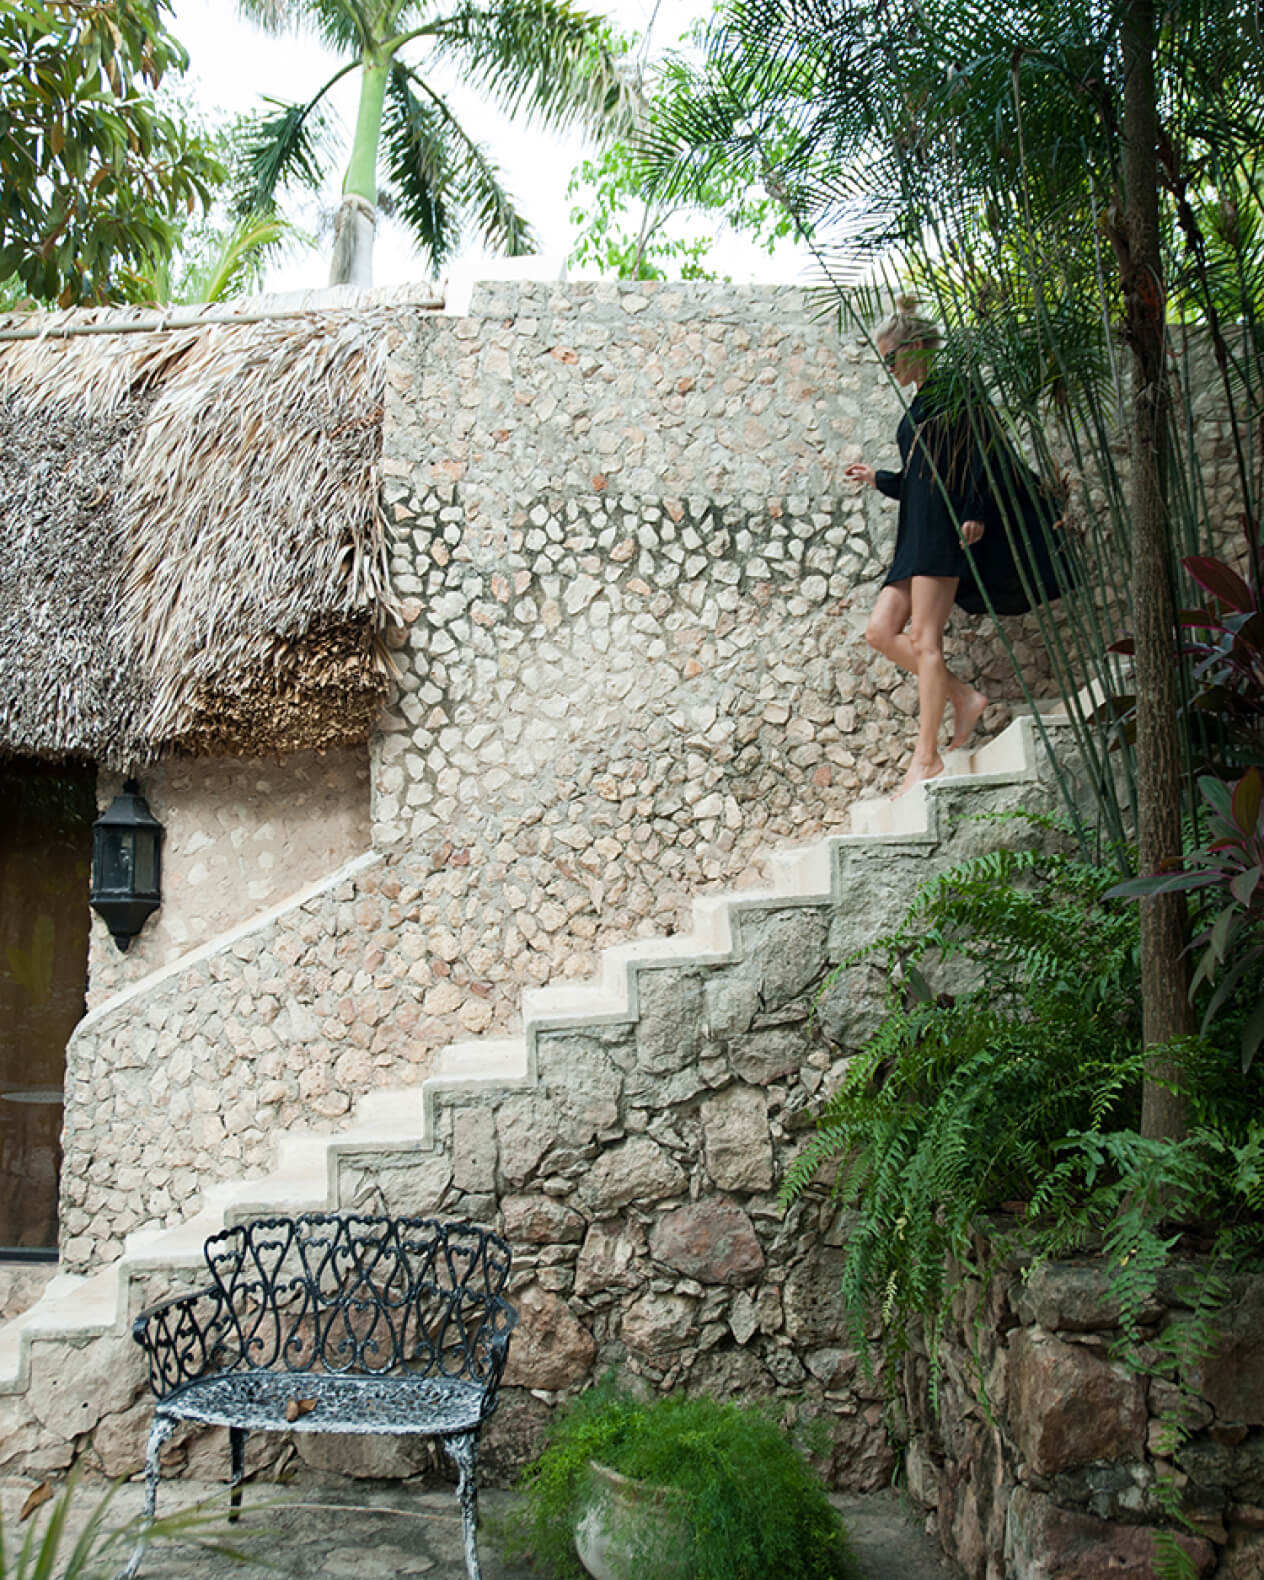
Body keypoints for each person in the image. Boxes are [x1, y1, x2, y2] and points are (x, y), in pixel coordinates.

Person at [845, 298, 1068, 798]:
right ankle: (964, 697)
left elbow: (986, 451)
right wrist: (878, 478)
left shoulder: (955, 389)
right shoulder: (920, 401)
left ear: (916, 347)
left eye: (891, 356)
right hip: (916, 532)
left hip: (943, 532)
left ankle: (926, 758)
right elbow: (921, 479)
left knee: (925, 640)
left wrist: (976, 510)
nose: (888, 366)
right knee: (880, 631)